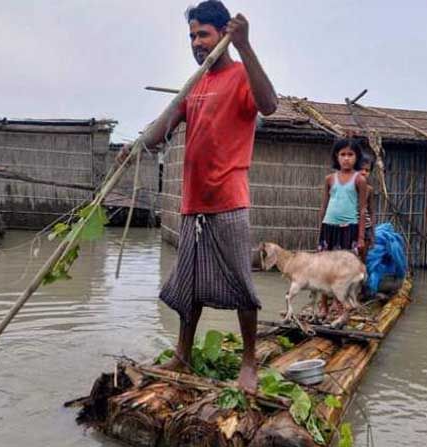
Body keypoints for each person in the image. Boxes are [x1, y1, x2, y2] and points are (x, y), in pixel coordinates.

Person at [118, 0, 276, 394]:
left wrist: (246, 47)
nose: (196, 43)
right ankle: (183, 354)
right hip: (194, 203)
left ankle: (250, 362)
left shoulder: (241, 75)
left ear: (224, 33)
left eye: (203, 34)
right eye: (191, 36)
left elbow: (269, 106)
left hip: (229, 200)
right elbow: (162, 127)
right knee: (188, 284)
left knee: (241, 284)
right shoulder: (196, 84)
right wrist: (135, 146)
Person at [315, 138, 368, 319]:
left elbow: (362, 210)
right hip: (328, 228)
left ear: (357, 157)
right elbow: (324, 206)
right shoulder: (330, 179)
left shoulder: (359, 180)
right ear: (336, 157)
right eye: (342, 154)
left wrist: (361, 238)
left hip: (349, 229)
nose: (346, 159)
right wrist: (320, 228)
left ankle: (339, 303)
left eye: (350, 154)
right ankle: (323, 304)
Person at [358, 157, 376, 261]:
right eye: (361, 169)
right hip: (352, 227)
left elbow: (372, 212)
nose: (364, 172)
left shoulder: (369, 190)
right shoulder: (349, 188)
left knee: (363, 258)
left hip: (366, 228)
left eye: (367, 170)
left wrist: (373, 234)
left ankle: (363, 276)